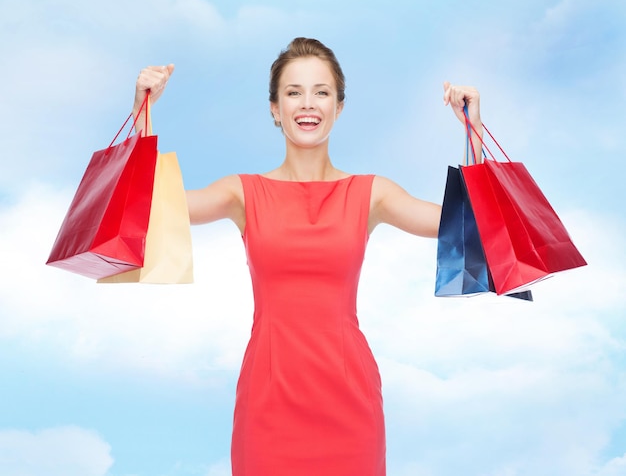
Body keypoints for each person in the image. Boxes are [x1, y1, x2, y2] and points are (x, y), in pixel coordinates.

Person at [132, 37, 482, 476]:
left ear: (338, 106)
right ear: (275, 109)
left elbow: (471, 226)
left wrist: (474, 129)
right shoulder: (242, 193)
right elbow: (149, 208)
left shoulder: (371, 193)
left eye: (321, 92)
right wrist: (142, 111)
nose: (307, 103)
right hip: (268, 404)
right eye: (293, 92)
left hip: (350, 405)